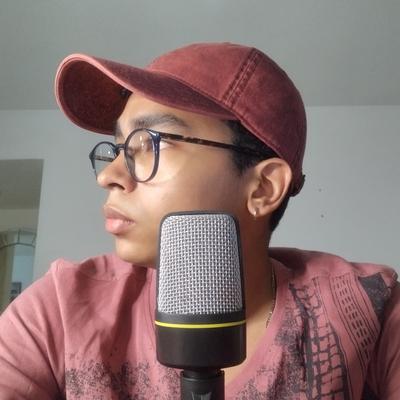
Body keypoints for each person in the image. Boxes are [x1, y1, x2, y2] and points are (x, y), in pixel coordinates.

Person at [0, 42, 399, 399]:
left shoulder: (372, 309)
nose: (109, 175)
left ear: (263, 188)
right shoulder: (60, 308)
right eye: (119, 148)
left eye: (149, 143)